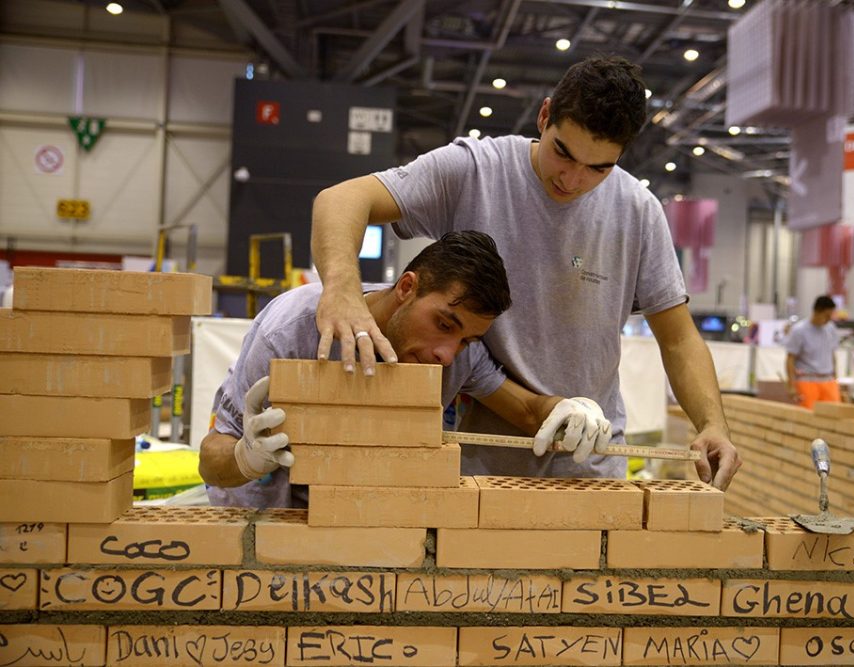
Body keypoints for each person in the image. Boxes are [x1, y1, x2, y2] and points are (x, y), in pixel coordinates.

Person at [309, 55, 740, 489]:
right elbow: (342, 199)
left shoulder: (638, 211)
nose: (572, 180)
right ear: (545, 115)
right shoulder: (475, 170)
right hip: (476, 466)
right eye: (563, 153)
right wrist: (342, 290)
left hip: (589, 464)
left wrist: (712, 424)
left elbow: (679, 339)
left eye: (598, 168)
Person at [199, 231, 612, 508]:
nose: (447, 355)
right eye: (444, 325)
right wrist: (244, 458)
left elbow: (527, 411)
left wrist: (569, 410)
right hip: (268, 537)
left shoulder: (457, 357)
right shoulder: (293, 330)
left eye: (467, 340)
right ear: (406, 288)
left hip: (370, 539)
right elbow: (210, 459)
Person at [785, 295, 841, 409]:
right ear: (817, 311)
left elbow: (832, 355)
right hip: (807, 381)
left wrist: (835, 378)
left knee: (834, 415)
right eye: (826, 316)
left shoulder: (831, 329)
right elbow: (790, 358)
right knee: (808, 416)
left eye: (830, 316)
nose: (829, 319)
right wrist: (791, 385)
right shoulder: (799, 331)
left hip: (828, 381)